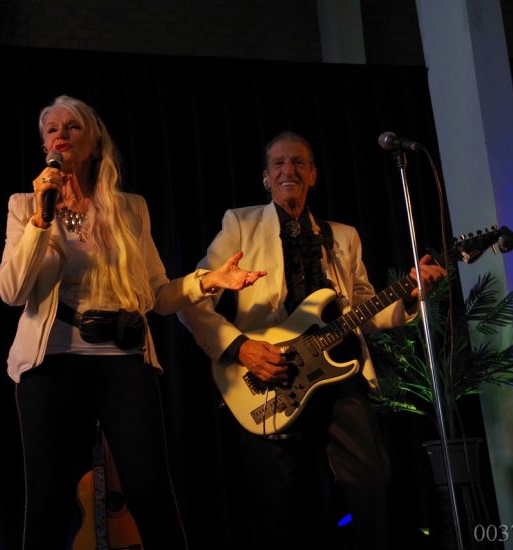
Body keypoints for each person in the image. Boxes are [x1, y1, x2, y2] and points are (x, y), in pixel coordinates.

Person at [0, 95, 266, 550]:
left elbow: (157, 295)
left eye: (72, 127)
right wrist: (42, 218)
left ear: (94, 140)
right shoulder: (25, 206)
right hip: (51, 362)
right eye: (51, 130)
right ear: (44, 145)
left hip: (124, 359)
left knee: (149, 490)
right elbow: (11, 291)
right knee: (49, 500)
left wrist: (208, 281)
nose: (60, 136)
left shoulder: (130, 209)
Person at [176, 131, 447, 549]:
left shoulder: (343, 236)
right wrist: (241, 348)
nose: (289, 170)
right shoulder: (241, 224)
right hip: (271, 376)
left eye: (299, 162)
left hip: (339, 372)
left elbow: (365, 310)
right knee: (281, 504)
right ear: (266, 177)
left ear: (314, 175)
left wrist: (409, 294)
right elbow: (192, 300)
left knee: (373, 483)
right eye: (279, 163)